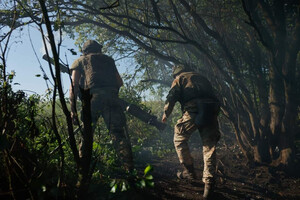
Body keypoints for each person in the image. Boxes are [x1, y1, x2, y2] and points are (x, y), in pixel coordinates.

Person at [69, 40, 133, 172]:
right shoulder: (109, 60)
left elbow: (74, 86)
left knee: (87, 135)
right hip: (112, 99)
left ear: (84, 51)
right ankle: (129, 170)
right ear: (99, 49)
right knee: (118, 134)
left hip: (92, 99)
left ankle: (83, 171)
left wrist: (73, 110)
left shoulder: (80, 61)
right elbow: (119, 82)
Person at [161, 64, 220, 199]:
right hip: (211, 111)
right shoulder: (203, 78)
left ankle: (189, 171)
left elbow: (172, 96)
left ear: (177, 73)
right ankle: (209, 185)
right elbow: (215, 96)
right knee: (209, 147)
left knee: (179, 138)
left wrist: (166, 114)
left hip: (193, 110)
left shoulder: (180, 78)